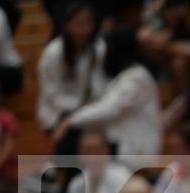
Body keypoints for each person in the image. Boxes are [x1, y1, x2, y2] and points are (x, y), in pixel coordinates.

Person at [51, 27, 161, 159]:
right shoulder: (122, 77)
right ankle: (58, 171)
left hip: (137, 150)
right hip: (119, 143)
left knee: (74, 127)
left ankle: (53, 170)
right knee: (75, 125)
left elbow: (110, 108)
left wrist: (72, 120)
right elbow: (101, 101)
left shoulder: (137, 78)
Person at [35, 1, 104, 151]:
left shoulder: (98, 47)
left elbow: (99, 84)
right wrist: (77, 110)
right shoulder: (53, 53)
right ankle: (59, 169)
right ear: (67, 25)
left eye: (87, 23)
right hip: (57, 111)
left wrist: (91, 107)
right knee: (71, 133)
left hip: (87, 108)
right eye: (78, 23)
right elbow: (51, 94)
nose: (83, 29)